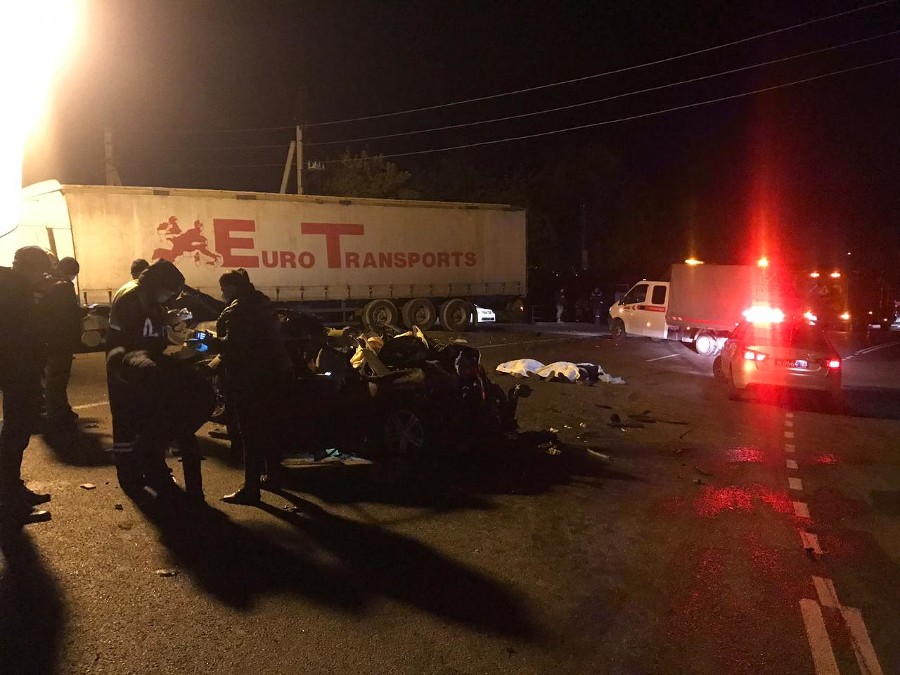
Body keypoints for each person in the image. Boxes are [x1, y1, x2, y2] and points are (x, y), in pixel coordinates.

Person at [106, 259, 212, 503]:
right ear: (157, 285)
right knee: (127, 419)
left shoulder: (153, 300)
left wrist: (176, 328)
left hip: (147, 364)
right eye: (170, 292)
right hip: (128, 365)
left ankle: (154, 471)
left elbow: (168, 336)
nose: (171, 297)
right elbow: (138, 337)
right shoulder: (131, 298)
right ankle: (131, 474)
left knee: (149, 419)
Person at [212, 269, 293, 504]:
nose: (222, 293)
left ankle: (251, 489)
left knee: (250, 432)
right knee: (269, 428)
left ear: (232, 287)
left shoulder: (239, 310)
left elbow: (234, 346)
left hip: (252, 378)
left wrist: (209, 342)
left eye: (224, 289)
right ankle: (273, 477)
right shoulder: (261, 301)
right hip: (275, 373)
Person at [0, 246, 54, 524]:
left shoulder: (11, 286)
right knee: (15, 434)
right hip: (18, 373)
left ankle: (13, 490)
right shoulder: (15, 291)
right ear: (31, 269)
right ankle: (10, 502)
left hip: (17, 372)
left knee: (15, 433)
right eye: (41, 272)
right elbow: (21, 337)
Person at [39, 256, 83, 427]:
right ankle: (58, 412)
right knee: (59, 377)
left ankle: (58, 409)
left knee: (53, 377)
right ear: (71, 272)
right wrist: (83, 313)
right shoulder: (64, 286)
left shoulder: (47, 283)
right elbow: (68, 313)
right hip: (62, 339)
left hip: (49, 338)